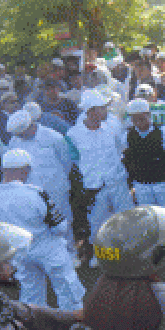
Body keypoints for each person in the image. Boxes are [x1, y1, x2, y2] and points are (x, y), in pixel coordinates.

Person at [0, 150, 86, 314]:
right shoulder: (35, 193)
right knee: (67, 288)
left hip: (19, 252)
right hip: (47, 247)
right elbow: (60, 228)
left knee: (31, 294)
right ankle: (74, 329)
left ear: (3, 170)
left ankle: (40, 328)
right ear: (24, 169)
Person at [67, 90, 126, 255]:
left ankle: (124, 254)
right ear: (91, 111)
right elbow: (72, 161)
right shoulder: (73, 134)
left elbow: (120, 149)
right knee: (97, 224)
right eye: (102, 108)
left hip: (116, 183)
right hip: (93, 187)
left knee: (123, 220)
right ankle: (102, 256)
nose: (106, 111)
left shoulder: (112, 128)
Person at [7, 109, 75, 247]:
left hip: (56, 189)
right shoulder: (14, 142)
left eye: (22, 134)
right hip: (31, 192)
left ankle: (70, 251)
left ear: (31, 126)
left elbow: (67, 162)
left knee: (62, 221)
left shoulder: (53, 137)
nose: (21, 137)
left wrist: (59, 182)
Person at [119, 98, 165, 212]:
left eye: (142, 119)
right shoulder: (126, 137)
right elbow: (126, 160)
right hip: (141, 185)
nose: (139, 123)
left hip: (163, 183)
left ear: (148, 115)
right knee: (149, 216)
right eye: (135, 119)